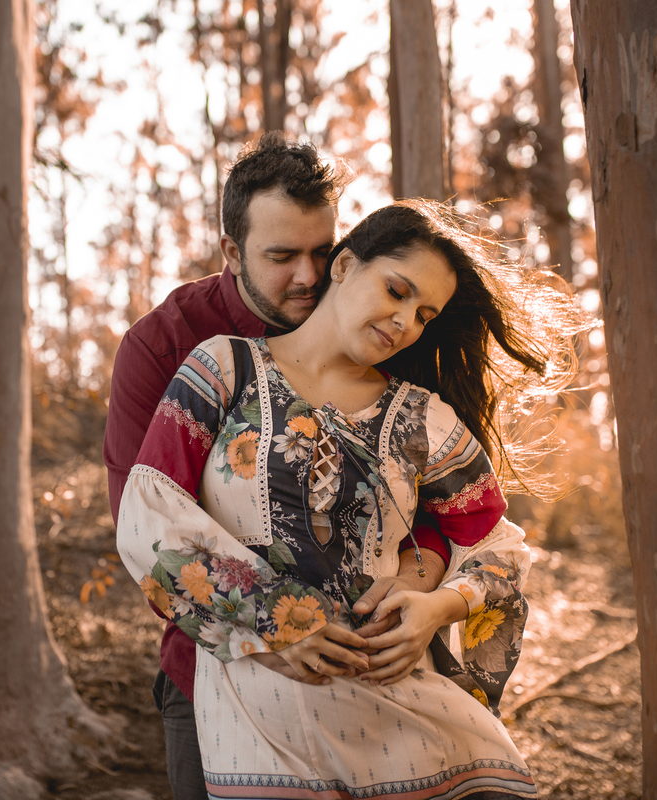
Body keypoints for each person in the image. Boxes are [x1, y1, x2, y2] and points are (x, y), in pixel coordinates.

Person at [117, 200, 581, 798]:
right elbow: (149, 515)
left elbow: (498, 546)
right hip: (264, 720)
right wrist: (278, 622)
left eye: (424, 314)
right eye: (396, 290)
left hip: (404, 716)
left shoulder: (423, 418)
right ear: (343, 266)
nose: (405, 321)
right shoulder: (223, 370)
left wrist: (436, 609)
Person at [103, 133, 454, 799]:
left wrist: (416, 580)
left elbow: (440, 507)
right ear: (231, 252)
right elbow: (144, 522)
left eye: (322, 252)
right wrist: (271, 625)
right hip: (218, 668)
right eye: (281, 256)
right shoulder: (165, 346)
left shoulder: (375, 318)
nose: (309, 276)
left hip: (377, 677)